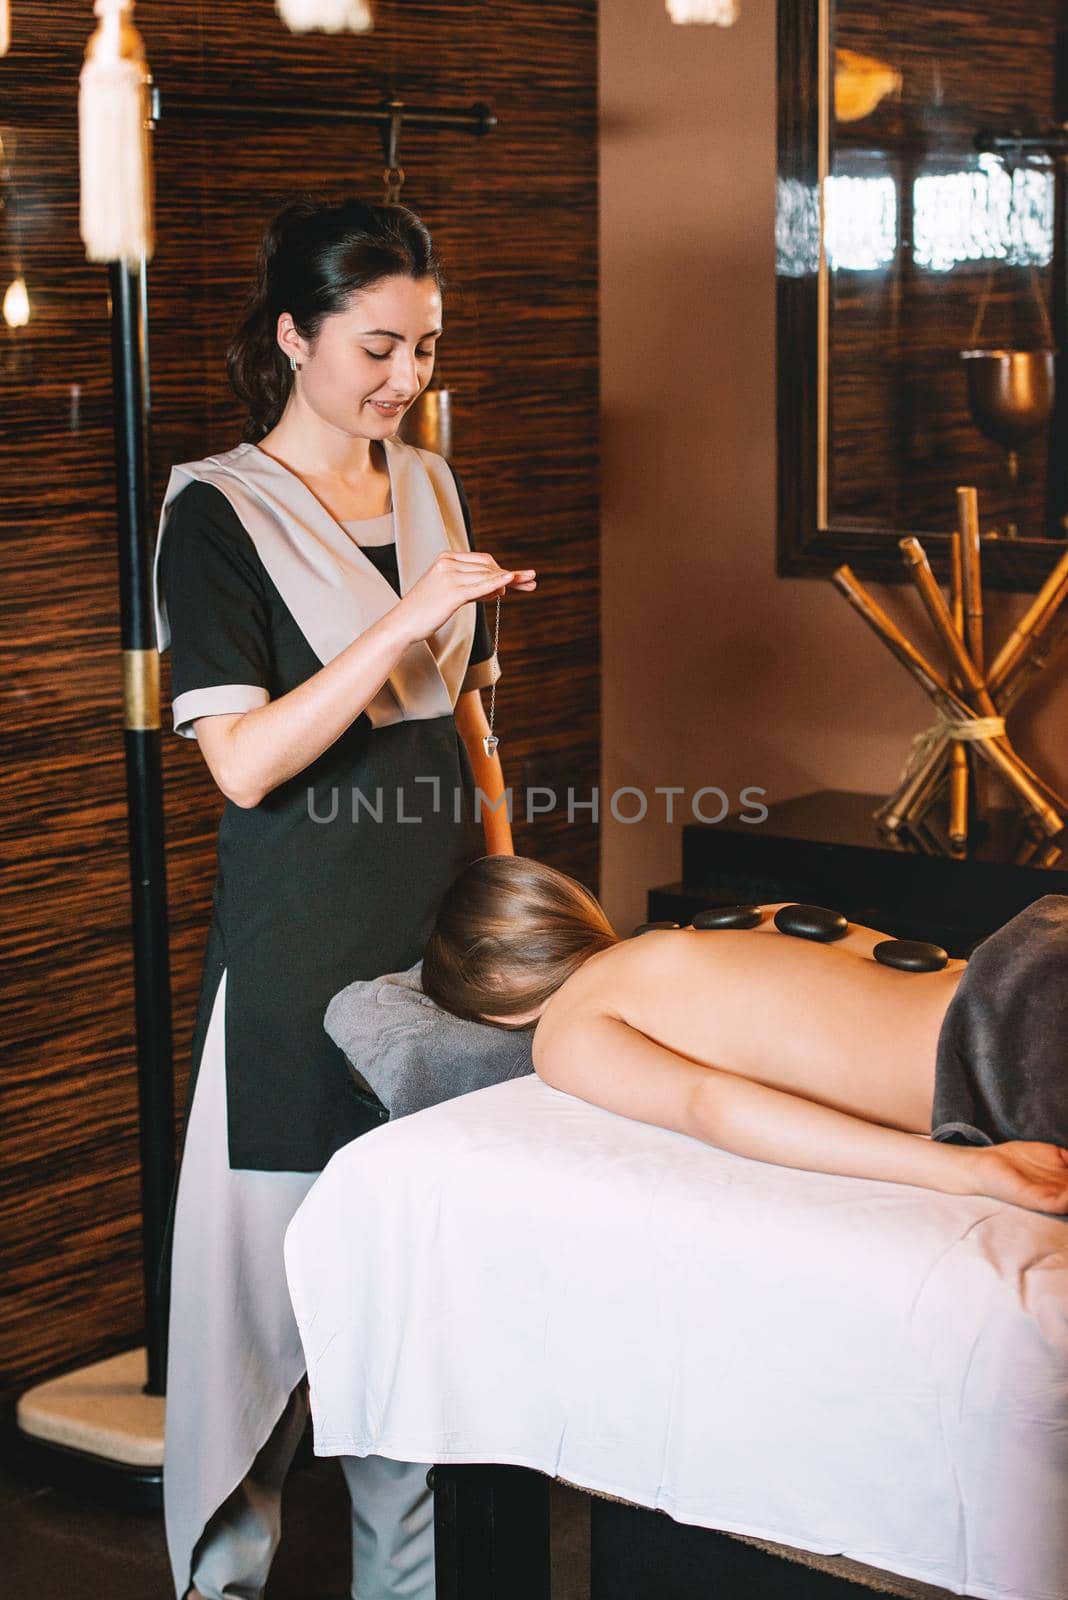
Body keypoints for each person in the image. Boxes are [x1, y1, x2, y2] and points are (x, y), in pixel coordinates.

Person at [153, 197, 535, 1600]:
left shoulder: (431, 485)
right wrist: (405, 615)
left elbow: (470, 715)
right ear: (294, 337)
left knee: (409, 1327)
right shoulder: (216, 510)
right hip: (296, 955)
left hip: (434, 950)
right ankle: (222, 1583)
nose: (402, 380)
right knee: (255, 1326)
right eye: (377, 347)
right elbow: (243, 764)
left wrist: (502, 879)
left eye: (424, 350)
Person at [421, 855, 1068, 1218]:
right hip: (1029, 955)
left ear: (495, 986)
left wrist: (966, 1168)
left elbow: (712, 1106)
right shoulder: (723, 926)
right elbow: (906, 956)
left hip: (1007, 1053)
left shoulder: (565, 1029)